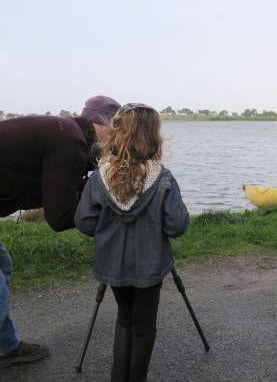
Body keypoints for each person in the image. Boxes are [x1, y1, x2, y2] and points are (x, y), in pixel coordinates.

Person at [0, 96, 121, 370]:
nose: (116, 142)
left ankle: (6, 346)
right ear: (101, 125)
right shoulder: (70, 142)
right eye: (116, 132)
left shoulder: (66, 132)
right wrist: (107, 213)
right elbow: (59, 217)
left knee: (2, 264)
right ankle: (6, 349)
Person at [74, 103, 189, 382]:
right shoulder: (161, 178)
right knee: (144, 322)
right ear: (153, 136)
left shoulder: (100, 177)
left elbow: (84, 223)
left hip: (112, 264)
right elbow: (177, 225)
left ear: (117, 134)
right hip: (149, 267)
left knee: (125, 316)